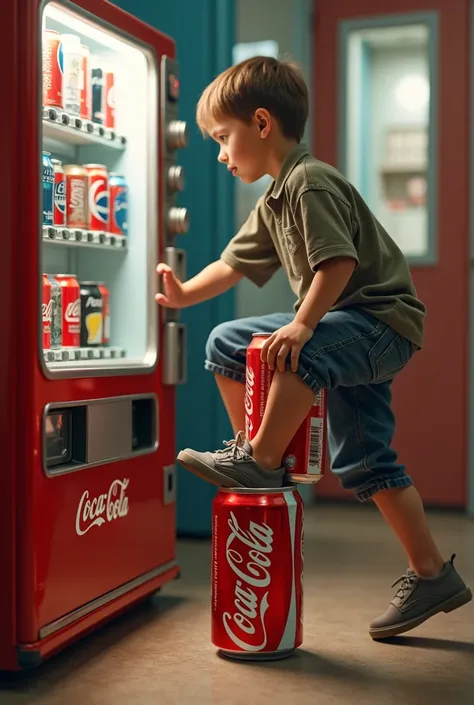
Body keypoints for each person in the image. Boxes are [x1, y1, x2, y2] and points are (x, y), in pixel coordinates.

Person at [155, 56, 472, 639]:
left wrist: (302, 325)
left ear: (261, 122)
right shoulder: (274, 199)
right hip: (348, 325)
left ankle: (259, 461)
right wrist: (181, 296)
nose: (221, 155)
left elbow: (338, 263)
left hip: (378, 321)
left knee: (304, 348)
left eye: (224, 139)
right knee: (360, 455)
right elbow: (231, 263)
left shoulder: (309, 180)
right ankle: (432, 574)